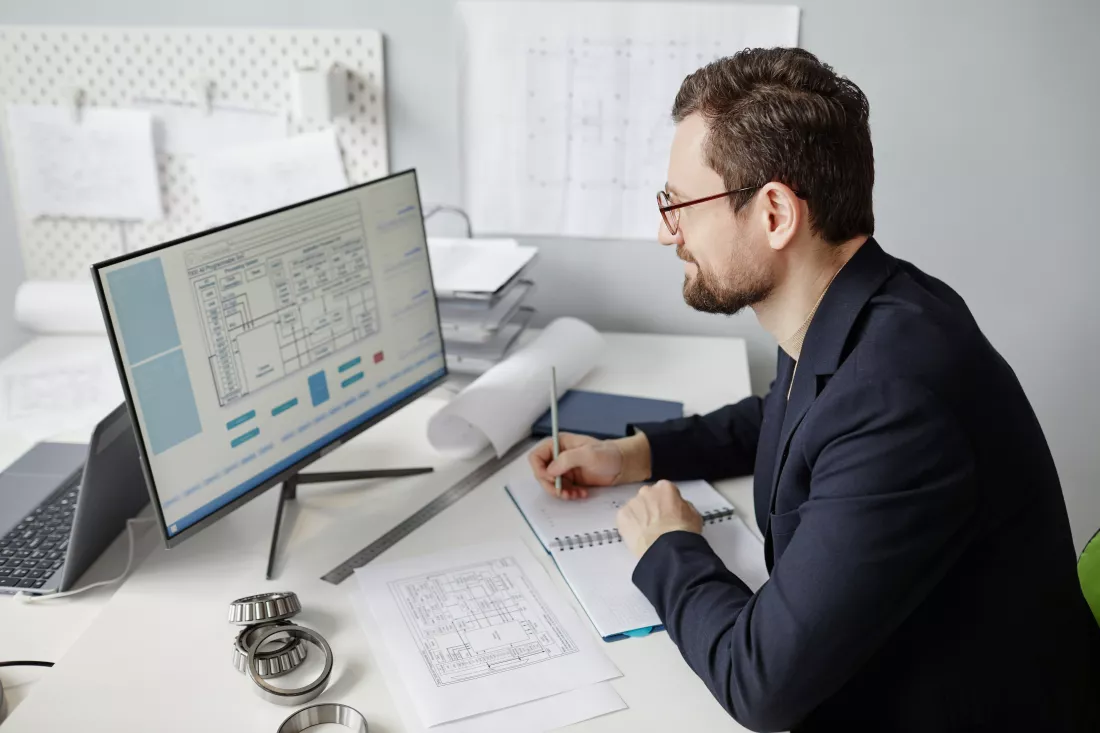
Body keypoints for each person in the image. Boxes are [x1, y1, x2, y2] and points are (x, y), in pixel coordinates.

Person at [528, 47, 1100, 732]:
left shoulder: (900, 398)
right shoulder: (867, 305)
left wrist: (667, 547)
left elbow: (759, 682)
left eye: (678, 204)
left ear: (774, 214)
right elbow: (784, 414)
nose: (664, 232)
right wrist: (637, 455)